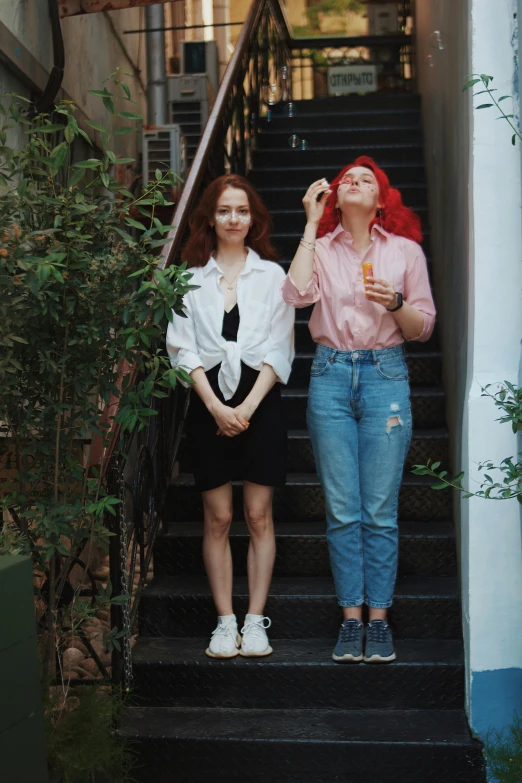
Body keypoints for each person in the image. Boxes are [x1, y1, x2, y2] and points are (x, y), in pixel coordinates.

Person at [281, 156, 435, 664]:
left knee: (379, 511)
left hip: (385, 377)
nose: (355, 182)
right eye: (348, 177)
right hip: (328, 376)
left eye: (367, 179)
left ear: (381, 199)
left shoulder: (406, 252)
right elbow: (297, 294)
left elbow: (422, 327)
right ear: (335, 195)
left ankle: (379, 621)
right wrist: (308, 222)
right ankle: (351, 623)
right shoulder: (321, 249)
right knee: (343, 509)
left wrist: (393, 302)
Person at [167, 174, 295, 660]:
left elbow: (282, 349)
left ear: (253, 218)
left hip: (260, 402)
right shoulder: (189, 277)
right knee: (218, 517)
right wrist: (217, 407)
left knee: (258, 515)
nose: (234, 218)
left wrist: (244, 407)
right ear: (211, 218)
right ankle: (224, 622)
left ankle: (255, 620)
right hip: (208, 405)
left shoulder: (272, 277)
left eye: (242, 210)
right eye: (224, 210)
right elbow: (181, 347)